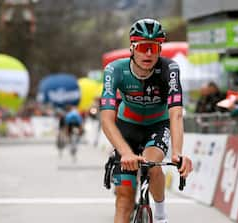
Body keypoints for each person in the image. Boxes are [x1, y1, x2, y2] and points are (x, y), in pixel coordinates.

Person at [100, 18, 193, 223]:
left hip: (157, 126)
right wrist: (125, 153)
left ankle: (160, 215)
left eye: (154, 47)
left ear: (160, 49)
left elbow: (176, 114)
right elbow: (106, 119)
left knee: (153, 165)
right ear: (132, 48)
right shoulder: (115, 70)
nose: (148, 54)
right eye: (143, 47)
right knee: (124, 199)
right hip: (127, 127)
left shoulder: (170, 69)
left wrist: (177, 153)